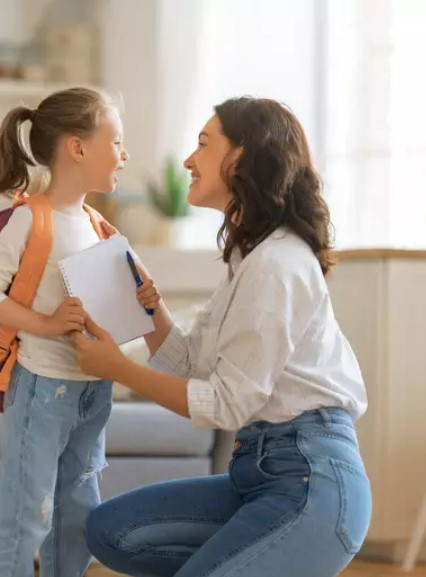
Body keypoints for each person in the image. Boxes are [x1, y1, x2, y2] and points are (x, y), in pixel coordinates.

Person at [71, 96, 371, 577]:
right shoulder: (248, 260)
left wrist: (117, 368)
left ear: (244, 158)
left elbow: (226, 405)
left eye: (203, 144)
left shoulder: (277, 265)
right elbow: (187, 362)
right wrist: (148, 309)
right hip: (258, 473)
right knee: (112, 530)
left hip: (311, 480)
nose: (189, 160)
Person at [0, 87, 128, 577]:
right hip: (41, 388)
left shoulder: (99, 226)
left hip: (92, 391)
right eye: (117, 141)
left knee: (78, 516)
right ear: (77, 148)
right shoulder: (30, 218)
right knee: (26, 516)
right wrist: (47, 323)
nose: (125, 154)